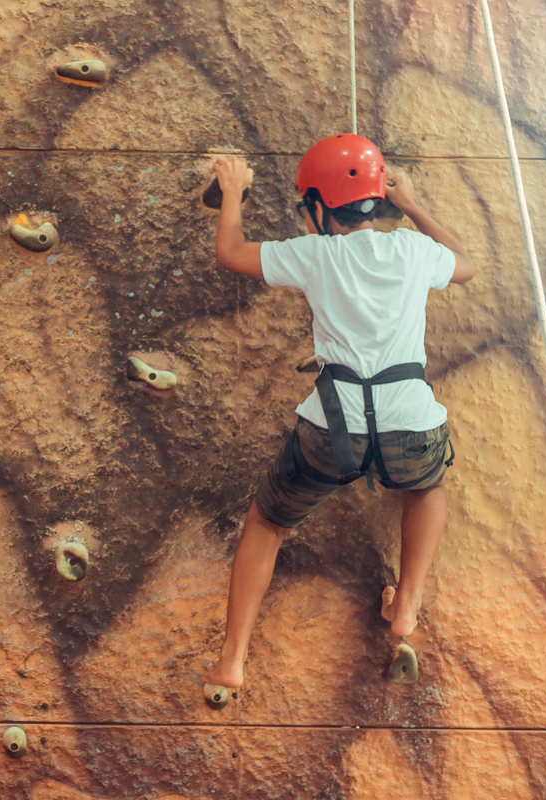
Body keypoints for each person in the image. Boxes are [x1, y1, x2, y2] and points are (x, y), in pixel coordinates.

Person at [202, 135, 476, 695]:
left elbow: (230, 252)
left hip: (333, 429)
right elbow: (466, 266)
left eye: (307, 208)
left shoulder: (315, 254)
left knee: (268, 522)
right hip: (410, 421)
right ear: (378, 203)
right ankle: (406, 606)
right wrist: (417, 205)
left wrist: (233, 191)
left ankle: (232, 660)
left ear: (321, 210)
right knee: (427, 489)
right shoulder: (412, 250)